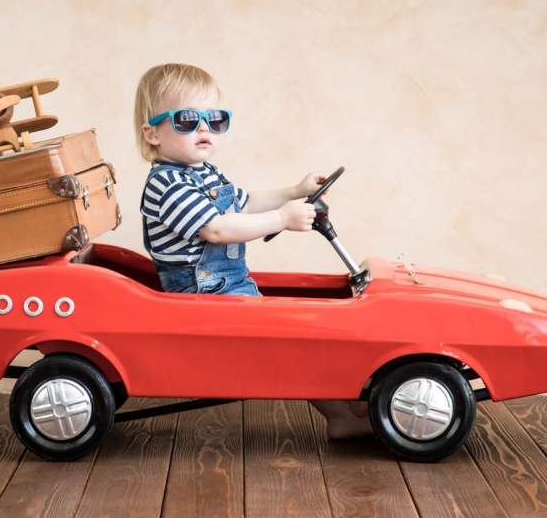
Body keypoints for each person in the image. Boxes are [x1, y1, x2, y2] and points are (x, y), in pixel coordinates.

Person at [134, 62, 370, 437]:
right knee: (286, 342)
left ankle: (350, 402)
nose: (203, 129)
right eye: (186, 120)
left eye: (215, 120)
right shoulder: (167, 185)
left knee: (301, 329)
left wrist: (293, 192)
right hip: (200, 296)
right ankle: (340, 416)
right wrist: (281, 219)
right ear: (152, 134)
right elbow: (217, 228)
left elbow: (243, 203)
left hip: (225, 286)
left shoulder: (204, 173)